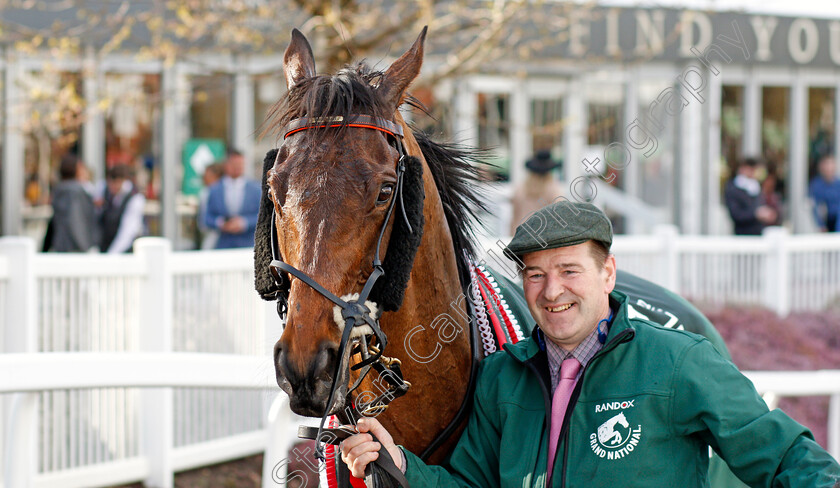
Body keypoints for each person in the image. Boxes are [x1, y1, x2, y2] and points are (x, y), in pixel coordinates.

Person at [341, 200, 840, 487]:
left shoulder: (677, 361)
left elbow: (781, 456)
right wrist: (402, 467)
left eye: (569, 271)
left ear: (608, 274)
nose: (551, 290)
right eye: (534, 275)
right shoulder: (502, 377)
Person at [203, 149, 261, 249]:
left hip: (248, 247)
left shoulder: (256, 189)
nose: (238, 167)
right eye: (234, 164)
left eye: (240, 164)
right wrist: (221, 223)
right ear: (226, 165)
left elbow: (262, 217)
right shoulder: (214, 190)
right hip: (223, 247)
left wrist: (244, 223)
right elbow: (207, 218)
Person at [47, 154, 97, 252]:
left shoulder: (59, 189)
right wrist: (86, 247)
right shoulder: (76, 192)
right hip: (76, 249)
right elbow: (76, 221)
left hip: (61, 246)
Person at [510, 150, 563, 235]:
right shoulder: (553, 189)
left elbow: (514, 217)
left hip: (521, 234)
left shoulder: (520, 188)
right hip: (543, 235)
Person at [98, 164, 146, 254]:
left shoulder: (135, 198)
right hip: (108, 247)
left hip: (127, 252)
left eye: (116, 183)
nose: (112, 187)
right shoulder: (106, 192)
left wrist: (111, 255)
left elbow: (127, 234)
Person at [724, 157, 777, 235]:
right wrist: (756, 214)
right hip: (742, 234)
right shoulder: (733, 189)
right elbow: (736, 214)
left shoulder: (755, 186)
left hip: (758, 233)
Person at [197, 162, 225, 250]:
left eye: (207, 174)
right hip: (209, 233)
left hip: (218, 235)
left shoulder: (213, 192)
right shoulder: (206, 191)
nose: (204, 177)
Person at [809, 155, 840, 232]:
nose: (829, 168)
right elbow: (815, 206)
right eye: (826, 165)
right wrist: (821, 225)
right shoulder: (816, 185)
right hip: (823, 225)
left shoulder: (838, 184)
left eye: (831, 165)